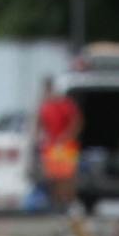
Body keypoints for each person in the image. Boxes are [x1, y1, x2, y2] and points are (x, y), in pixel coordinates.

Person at [35, 78, 82, 210]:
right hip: (51, 145)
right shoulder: (45, 106)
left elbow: (76, 122)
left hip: (66, 145)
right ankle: (56, 203)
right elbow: (40, 124)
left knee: (66, 177)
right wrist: (39, 139)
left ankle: (69, 202)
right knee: (53, 177)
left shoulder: (65, 105)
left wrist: (67, 136)